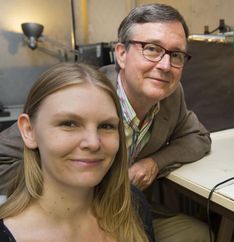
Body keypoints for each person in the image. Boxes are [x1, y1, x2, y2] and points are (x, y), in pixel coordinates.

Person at [0, 3, 212, 242]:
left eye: (176, 55)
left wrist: (154, 163)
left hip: (128, 206)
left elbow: (199, 137)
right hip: (62, 211)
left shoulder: (172, 96)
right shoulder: (86, 93)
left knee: (199, 234)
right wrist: (61, 184)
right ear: (121, 54)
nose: (164, 66)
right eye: (152, 49)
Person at [0, 63, 149, 242]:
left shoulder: (132, 207)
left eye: (106, 126)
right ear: (29, 131)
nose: (93, 143)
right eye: (69, 123)